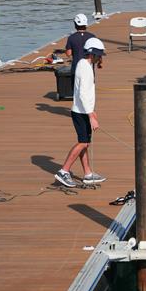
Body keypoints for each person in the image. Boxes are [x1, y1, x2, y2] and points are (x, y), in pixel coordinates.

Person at [55, 38, 107, 188]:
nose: (100, 57)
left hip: (85, 110)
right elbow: (83, 94)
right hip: (80, 112)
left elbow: (87, 94)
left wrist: (92, 111)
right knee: (82, 142)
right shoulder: (84, 67)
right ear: (91, 54)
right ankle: (64, 171)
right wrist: (91, 116)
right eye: (98, 55)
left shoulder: (87, 65)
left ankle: (88, 174)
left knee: (85, 143)